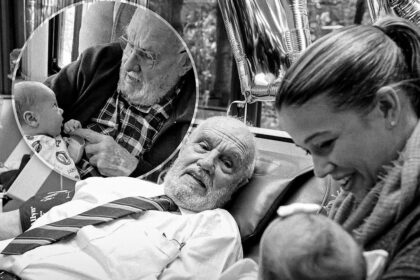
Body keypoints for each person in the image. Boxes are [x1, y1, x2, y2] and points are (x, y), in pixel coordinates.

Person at [0, 116, 256, 279]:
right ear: (184, 147)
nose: (207, 163)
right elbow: (14, 222)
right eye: (204, 146)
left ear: (240, 182)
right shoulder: (108, 185)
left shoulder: (216, 229)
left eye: (227, 162)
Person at [275, 16, 420, 278]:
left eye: (324, 143)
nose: (319, 171)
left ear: (386, 107)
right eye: (309, 150)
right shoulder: (357, 204)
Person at [45, 6, 196, 178]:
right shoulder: (99, 60)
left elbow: (186, 191)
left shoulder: (195, 121)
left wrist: (133, 168)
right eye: (130, 44)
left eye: (147, 56)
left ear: (184, 63)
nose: (128, 65)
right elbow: (32, 102)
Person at [13, 81, 84, 180]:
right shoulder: (18, 147)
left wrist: (75, 133)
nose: (62, 110)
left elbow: (74, 156)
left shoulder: (58, 140)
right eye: (54, 105)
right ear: (32, 119)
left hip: (73, 190)